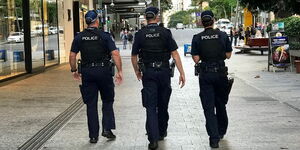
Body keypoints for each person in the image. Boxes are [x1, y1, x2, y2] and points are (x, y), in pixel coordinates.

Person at [131, 6, 185, 150]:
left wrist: (137, 71)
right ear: (157, 17)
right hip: (164, 72)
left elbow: (134, 56)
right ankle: (161, 131)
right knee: (163, 104)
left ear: (146, 17)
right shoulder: (165, 33)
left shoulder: (140, 34)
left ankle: (153, 139)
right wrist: (182, 73)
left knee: (150, 105)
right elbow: (175, 54)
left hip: (148, 73)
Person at [69, 10, 123, 143]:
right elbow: (115, 53)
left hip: (87, 73)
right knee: (107, 100)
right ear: (97, 21)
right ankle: (107, 129)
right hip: (104, 72)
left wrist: (74, 70)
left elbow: (72, 55)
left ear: (86, 22)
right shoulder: (104, 36)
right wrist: (119, 70)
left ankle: (93, 136)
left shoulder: (79, 37)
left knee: (91, 104)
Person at [191, 10, 232, 148]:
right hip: (221, 74)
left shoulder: (197, 37)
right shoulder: (222, 35)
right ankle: (221, 131)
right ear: (213, 20)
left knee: (208, 107)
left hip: (206, 75)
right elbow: (228, 55)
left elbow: (196, 59)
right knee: (221, 104)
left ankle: (213, 139)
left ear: (202, 22)